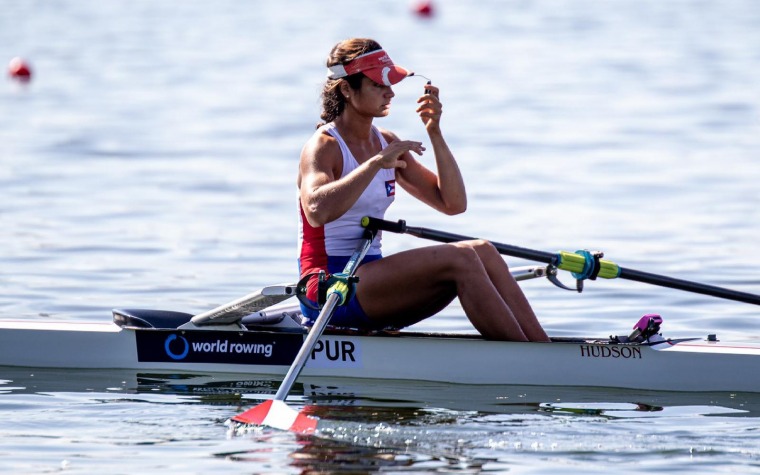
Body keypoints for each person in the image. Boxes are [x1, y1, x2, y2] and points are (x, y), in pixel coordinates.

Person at [297, 38, 550, 342]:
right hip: (327, 288)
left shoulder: (386, 142)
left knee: (482, 250)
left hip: (368, 280)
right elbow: (317, 211)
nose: (390, 92)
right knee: (462, 259)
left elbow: (453, 204)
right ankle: (528, 362)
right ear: (347, 89)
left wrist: (435, 132)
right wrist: (377, 163)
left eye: (390, 84)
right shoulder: (324, 146)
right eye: (379, 84)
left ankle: (541, 348)